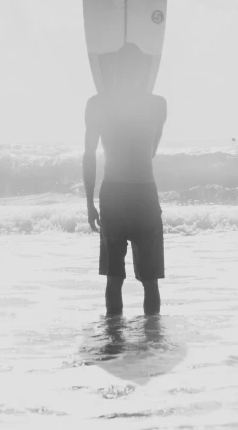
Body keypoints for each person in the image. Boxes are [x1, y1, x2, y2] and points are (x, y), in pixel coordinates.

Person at [82, 42, 167, 316]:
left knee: (114, 279)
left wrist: (89, 204)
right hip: (144, 194)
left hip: (113, 196)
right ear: (143, 71)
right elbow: (151, 151)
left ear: (114, 69)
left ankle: (113, 345)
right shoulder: (157, 104)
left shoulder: (97, 103)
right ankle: (151, 347)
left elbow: (88, 155)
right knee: (150, 281)